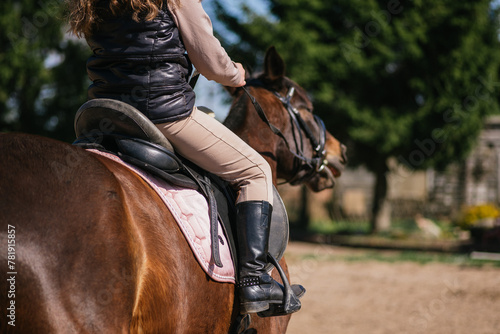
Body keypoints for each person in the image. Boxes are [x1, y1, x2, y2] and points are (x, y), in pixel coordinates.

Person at [66, 0, 304, 316]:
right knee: (256, 171)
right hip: (165, 112)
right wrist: (235, 74)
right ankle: (254, 279)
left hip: (107, 112)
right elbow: (209, 61)